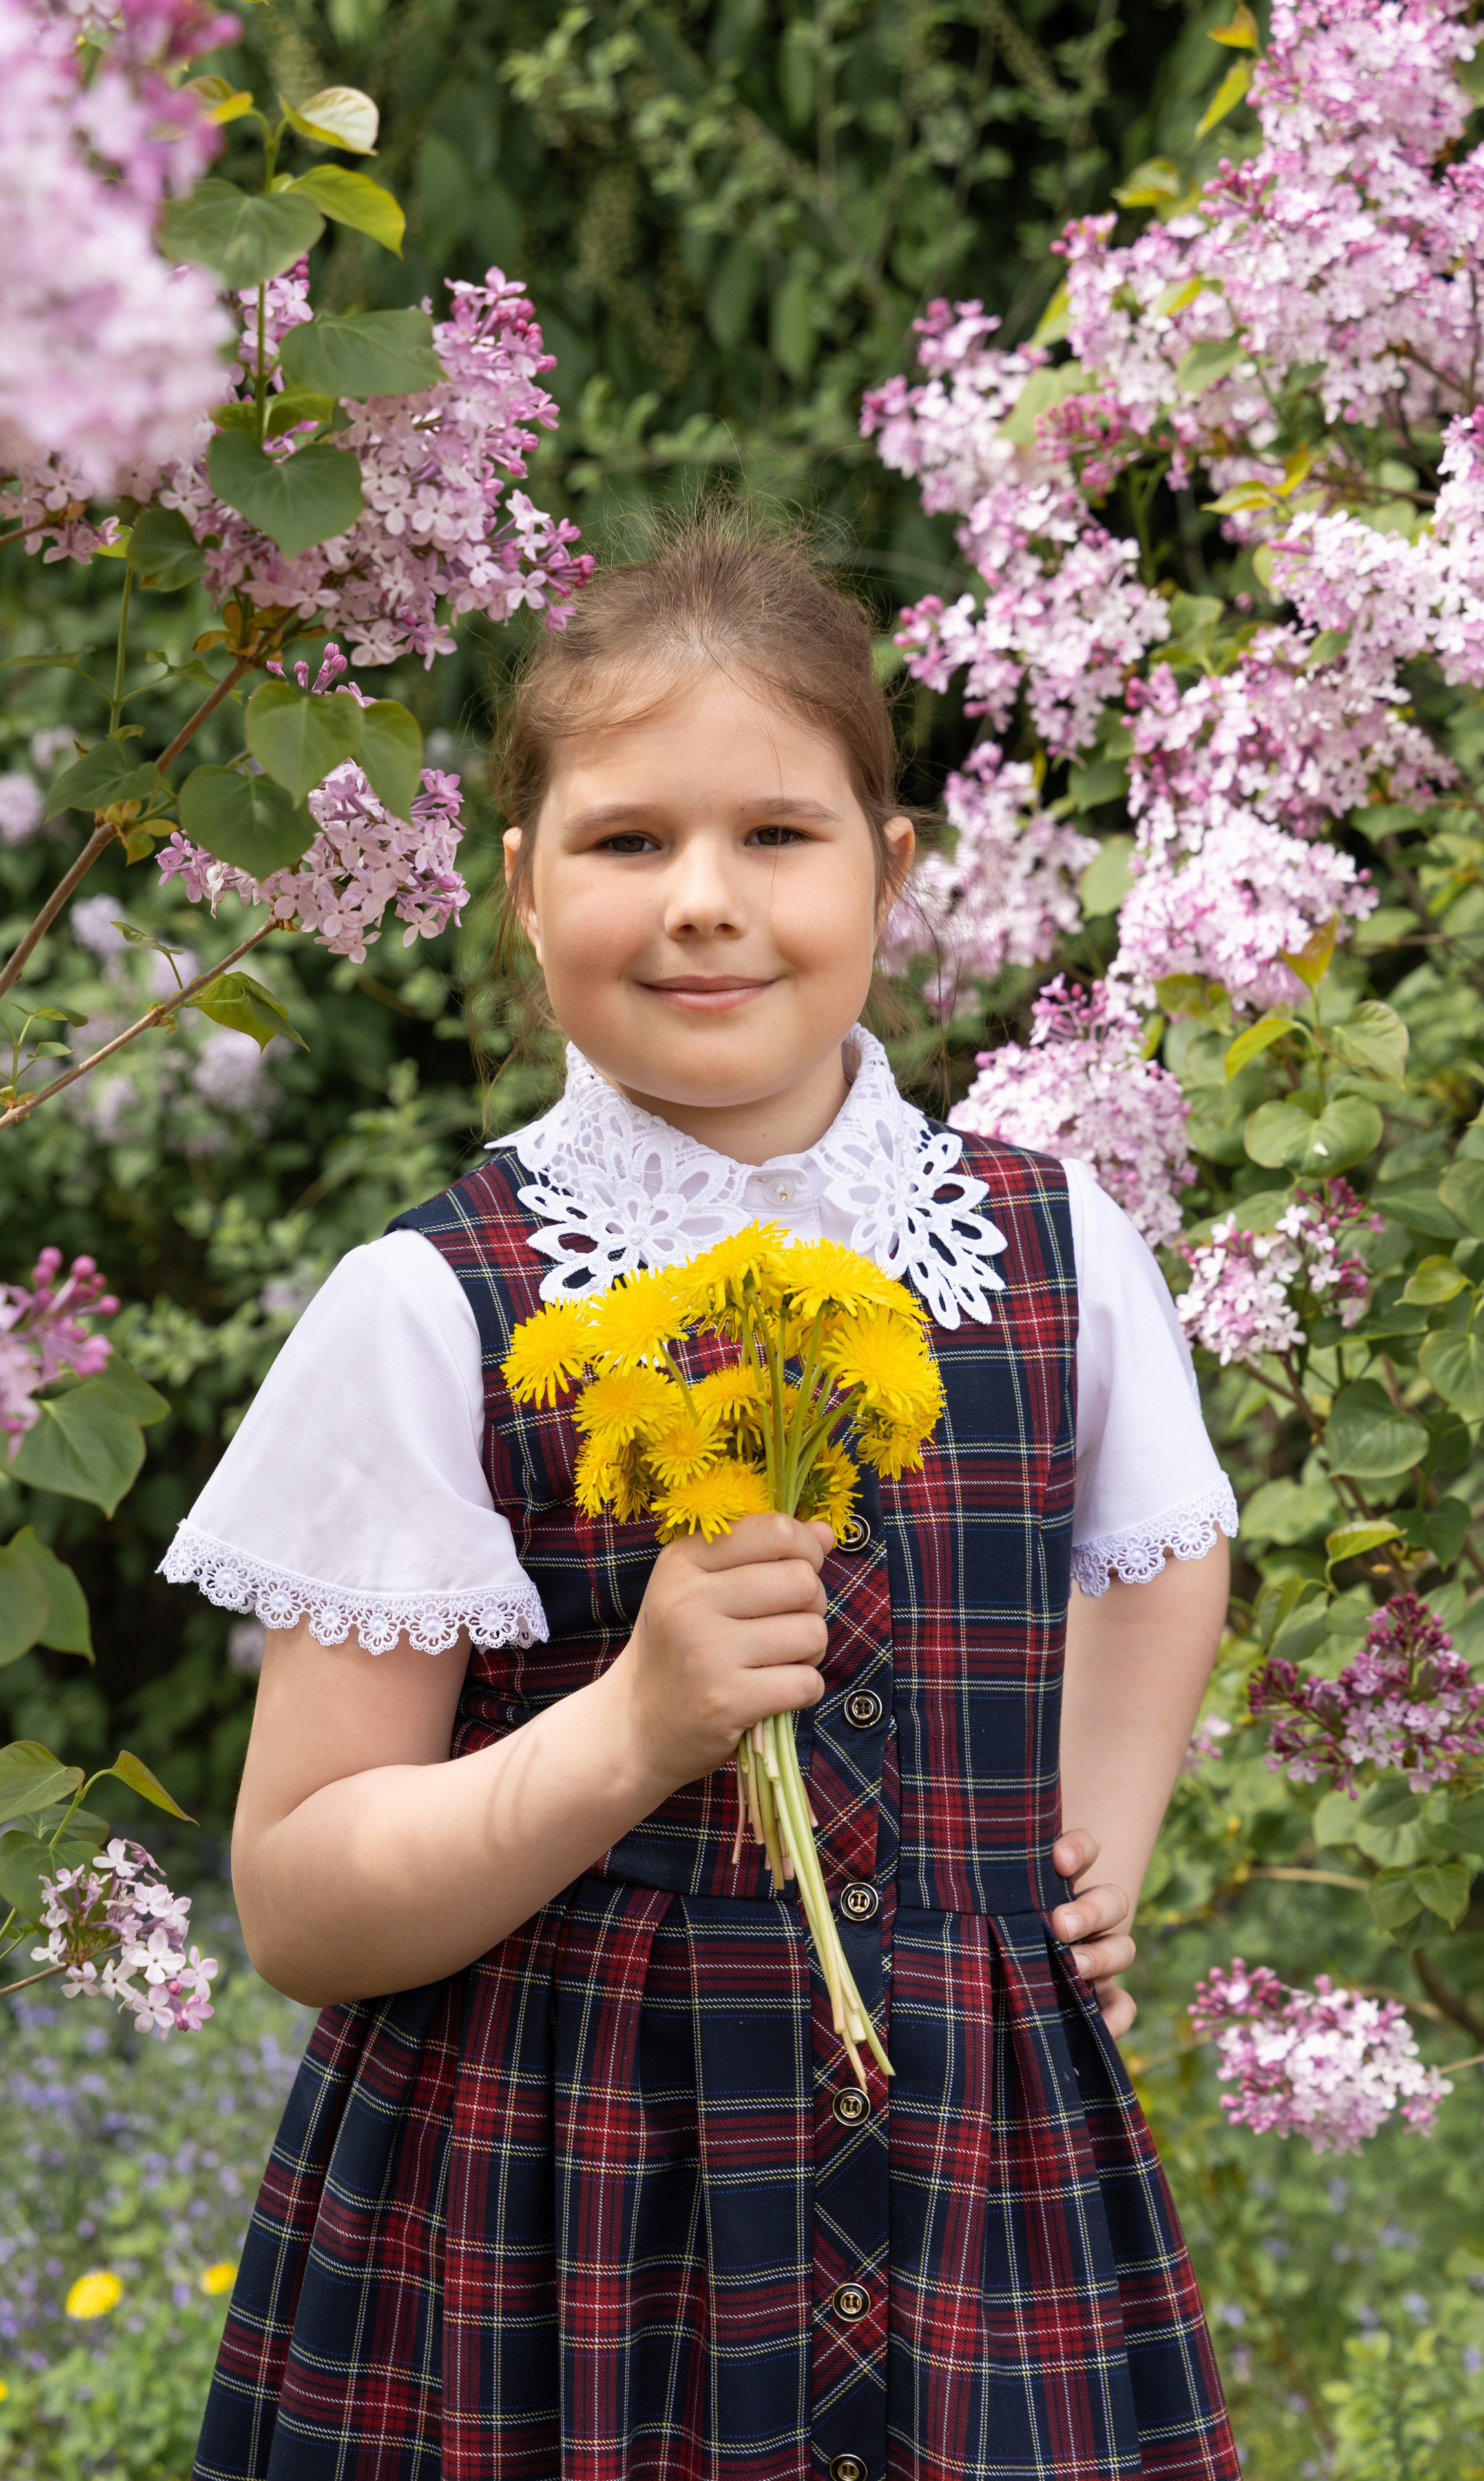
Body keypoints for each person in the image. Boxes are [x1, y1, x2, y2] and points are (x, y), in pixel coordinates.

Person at [162, 517, 1240, 2481]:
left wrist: (1082, 1859)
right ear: (520, 887)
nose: (704, 905)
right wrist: (634, 1730)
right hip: (541, 2210)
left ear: (891, 874)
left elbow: (1165, 1555)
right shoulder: (439, 1306)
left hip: (966, 2198)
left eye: (777, 835)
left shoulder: (1050, 1246)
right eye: (628, 842)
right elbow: (302, 1901)